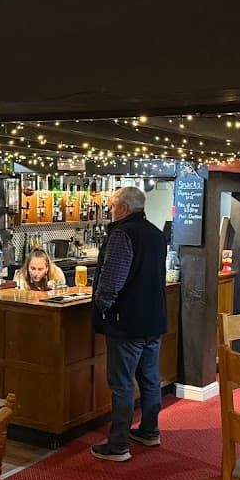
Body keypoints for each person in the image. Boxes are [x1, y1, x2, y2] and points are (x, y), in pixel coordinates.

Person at [90, 186, 167, 462]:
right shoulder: (156, 233)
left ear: (123, 208)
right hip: (154, 320)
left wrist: (102, 306)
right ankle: (150, 431)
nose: (111, 211)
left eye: (113, 206)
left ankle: (118, 445)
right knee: (150, 379)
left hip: (127, 321)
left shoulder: (123, 234)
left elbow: (112, 280)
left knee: (122, 384)